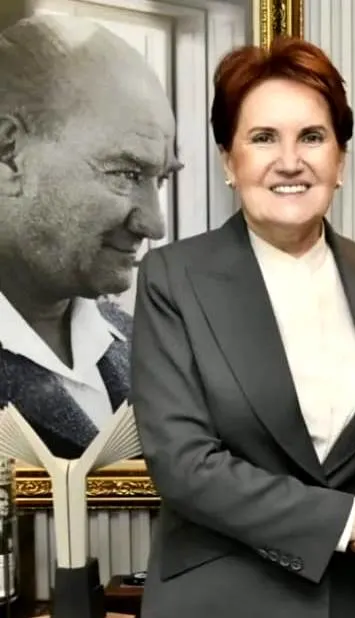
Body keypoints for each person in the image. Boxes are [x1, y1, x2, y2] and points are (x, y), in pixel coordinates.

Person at [129, 38, 355, 618]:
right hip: (224, 601)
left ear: (340, 160)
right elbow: (184, 466)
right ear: (228, 161)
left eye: (312, 137)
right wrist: (348, 521)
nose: (289, 161)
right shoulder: (173, 278)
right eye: (262, 138)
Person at [0, 15, 177, 458]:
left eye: (160, 180)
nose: (155, 225)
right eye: (126, 173)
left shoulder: (148, 352)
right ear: (9, 154)